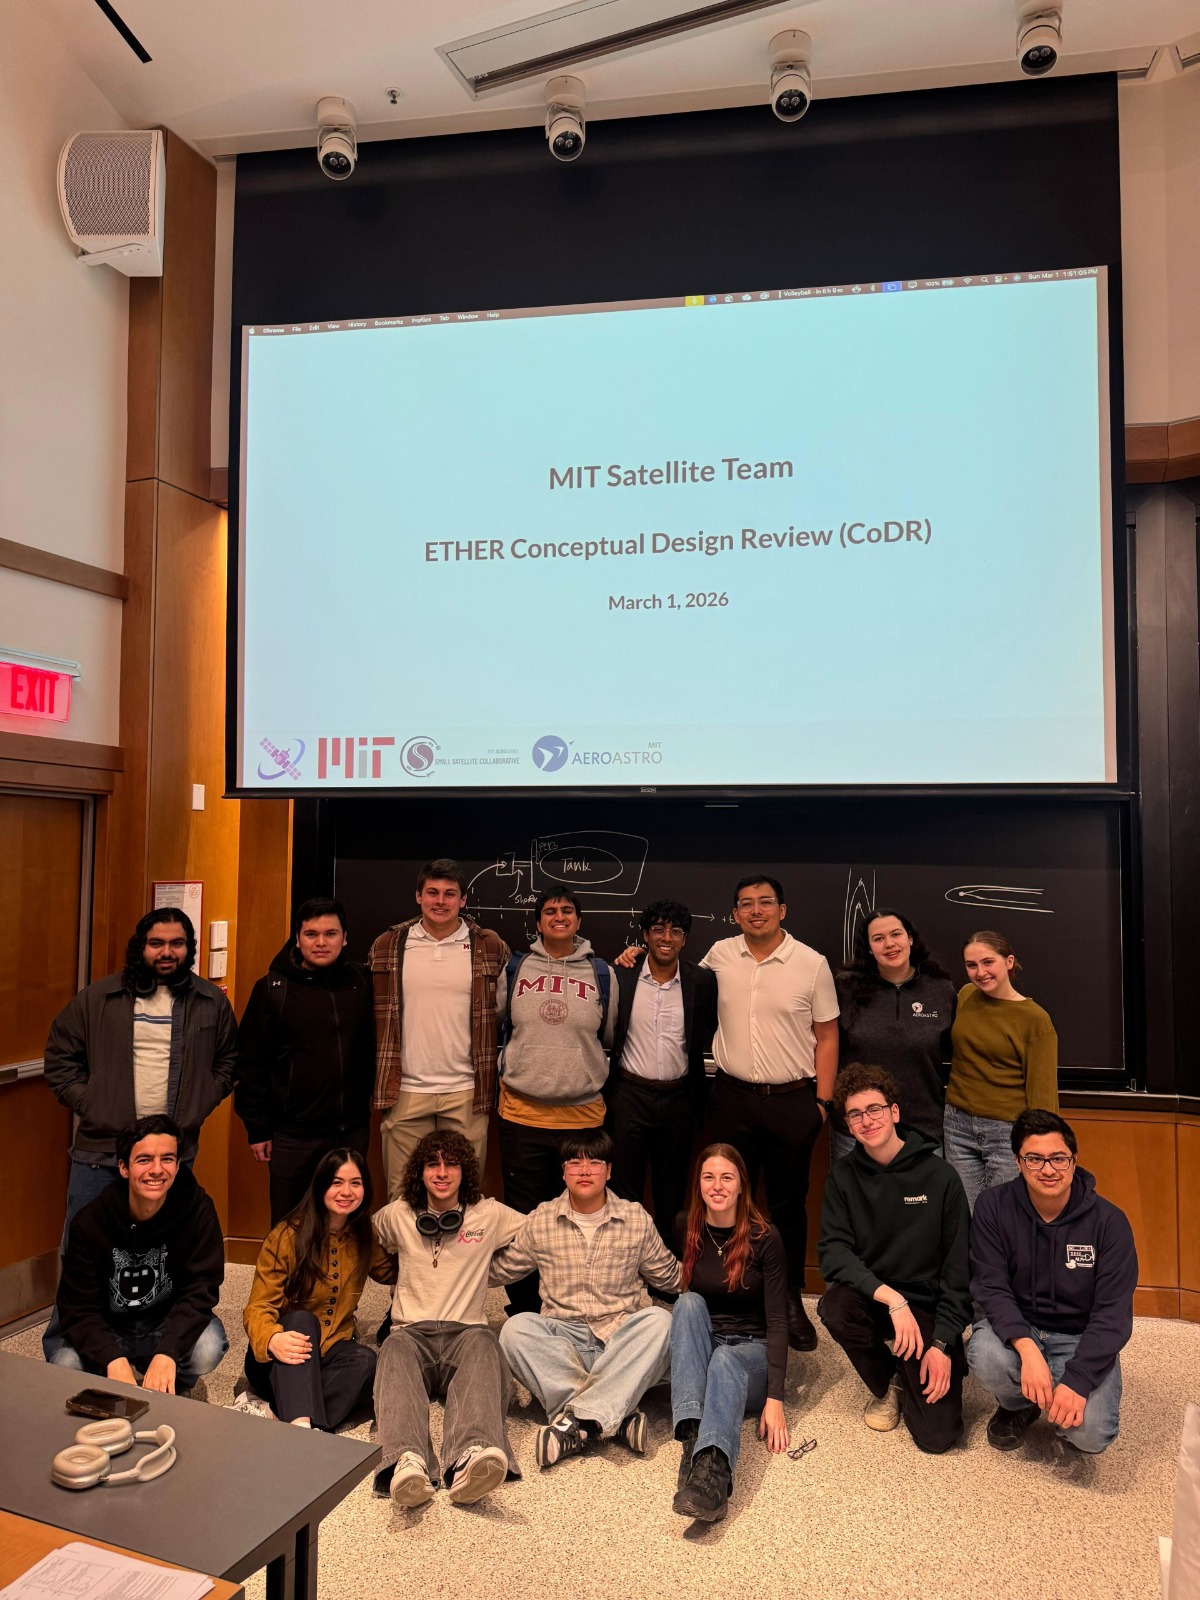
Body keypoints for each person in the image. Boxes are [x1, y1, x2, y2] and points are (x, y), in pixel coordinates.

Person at [42, 907, 236, 1358]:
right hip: (100, 1152)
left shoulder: (210, 1002)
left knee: (164, 1255)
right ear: (140, 947)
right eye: (156, 943)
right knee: (82, 1254)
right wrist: (94, 1105)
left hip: (172, 1154)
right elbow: (60, 1057)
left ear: (189, 949)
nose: (167, 952)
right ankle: (67, 1351)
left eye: (177, 943)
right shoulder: (99, 998)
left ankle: (159, 1348)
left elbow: (228, 1062)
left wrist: (199, 1103)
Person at [697, 874, 838, 1352]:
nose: (755, 911)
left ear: (782, 910)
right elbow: (674, 982)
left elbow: (828, 1036)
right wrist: (634, 959)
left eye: (765, 902)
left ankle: (789, 1299)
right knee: (727, 1198)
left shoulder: (811, 964)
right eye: (746, 904)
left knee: (788, 1205)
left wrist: (822, 1103)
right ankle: (728, 1292)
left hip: (792, 1101)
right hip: (731, 1097)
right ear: (735, 913)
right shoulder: (719, 955)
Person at [492, 1129, 679, 1468]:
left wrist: (723, 1271)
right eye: (574, 1163)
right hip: (563, 1343)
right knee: (515, 1330)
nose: (584, 1170)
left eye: (594, 1163)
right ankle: (616, 1413)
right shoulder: (542, 1219)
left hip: (621, 1343)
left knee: (661, 1322)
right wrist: (454, 1256)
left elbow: (670, 1276)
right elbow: (501, 1269)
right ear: (563, 1171)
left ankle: (575, 1423)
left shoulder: (635, 1218)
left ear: (609, 1171)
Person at [817, 1065, 971, 1454]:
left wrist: (941, 1344)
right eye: (855, 1114)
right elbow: (834, 1253)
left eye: (875, 1109)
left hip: (925, 1306)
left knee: (938, 1437)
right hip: (877, 1298)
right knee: (835, 1307)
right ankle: (888, 1380)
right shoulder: (842, 1177)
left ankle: (913, 1366)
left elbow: (958, 1273)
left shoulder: (941, 1177)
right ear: (848, 1125)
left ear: (895, 1112)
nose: (866, 1120)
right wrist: (891, 1298)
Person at [968, 1109, 1137, 1456]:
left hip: (1078, 1335)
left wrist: (1078, 1380)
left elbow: (1113, 1314)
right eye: (1034, 1159)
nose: (1048, 1169)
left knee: (1091, 1435)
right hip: (1020, 1327)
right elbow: (991, 1287)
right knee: (984, 1355)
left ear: (1074, 1160)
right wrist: (1027, 1350)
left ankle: (1061, 1396)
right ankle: (1019, 1405)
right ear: (1017, 1162)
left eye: (1058, 1158)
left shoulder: (1110, 1222)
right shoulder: (992, 1207)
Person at [371, 1130, 525, 1506]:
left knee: (486, 1342)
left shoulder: (489, 1214)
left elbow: (538, 1233)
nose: (442, 1173)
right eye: (432, 1164)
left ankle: (470, 1457)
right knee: (392, 1349)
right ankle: (407, 1463)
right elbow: (364, 1238)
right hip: (411, 1333)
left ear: (464, 1170)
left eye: (451, 1164)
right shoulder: (397, 1215)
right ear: (420, 1172)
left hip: (466, 1333)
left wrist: (492, 1272)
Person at [495, 888, 617, 1315]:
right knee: (523, 1220)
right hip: (521, 1114)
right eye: (550, 911)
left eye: (567, 911)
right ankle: (525, 1309)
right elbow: (500, 1022)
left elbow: (608, 1035)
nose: (559, 916)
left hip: (582, 1117)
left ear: (579, 921)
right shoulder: (516, 968)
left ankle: (570, 1305)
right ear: (538, 922)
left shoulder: (601, 973)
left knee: (579, 1218)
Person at [49, 1115, 227, 1394]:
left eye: (167, 1159)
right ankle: (111, 1377)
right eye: (144, 1160)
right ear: (123, 1167)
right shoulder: (90, 1222)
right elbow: (79, 1308)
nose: (157, 1170)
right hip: (110, 1326)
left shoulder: (198, 1210)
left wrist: (168, 1352)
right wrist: (112, 1359)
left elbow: (200, 1291)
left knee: (209, 1347)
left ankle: (170, 1383)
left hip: (163, 1322)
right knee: (65, 1364)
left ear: (178, 1165)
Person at [369, 859, 510, 1197]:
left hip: (466, 1090)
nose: (441, 901)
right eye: (432, 892)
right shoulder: (389, 944)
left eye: (450, 894)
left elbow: (507, 1013)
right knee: (401, 1195)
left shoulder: (489, 945)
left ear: (463, 900)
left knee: (465, 1194)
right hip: (404, 1089)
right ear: (418, 896)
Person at [235, 897, 375, 1223]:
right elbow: (251, 1063)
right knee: (290, 1227)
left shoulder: (362, 982)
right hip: (292, 1135)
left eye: (330, 934)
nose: (321, 942)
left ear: (345, 938)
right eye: (311, 934)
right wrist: (257, 1128)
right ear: (297, 939)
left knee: (346, 1225)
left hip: (351, 1131)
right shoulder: (273, 988)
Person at [669, 1143, 789, 1523]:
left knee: (724, 1359)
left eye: (726, 1177)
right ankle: (693, 1441)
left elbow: (778, 1321)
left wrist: (776, 1398)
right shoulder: (686, 1226)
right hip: (709, 1351)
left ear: (741, 1186)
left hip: (751, 1356)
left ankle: (713, 1477)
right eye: (709, 1177)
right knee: (687, 1303)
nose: (717, 1186)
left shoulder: (765, 1237)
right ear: (699, 1184)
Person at [243, 1147, 395, 1428]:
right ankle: (302, 1428)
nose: (346, 1191)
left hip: (329, 1354)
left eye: (356, 1183)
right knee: (303, 1320)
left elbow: (392, 1272)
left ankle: (280, 1413)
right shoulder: (285, 1237)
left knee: (366, 1361)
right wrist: (273, 1339)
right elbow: (258, 1307)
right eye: (337, 1182)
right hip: (280, 1357)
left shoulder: (365, 1236)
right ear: (320, 1185)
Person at [606, 899, 717, 1249]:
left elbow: (709, 1030)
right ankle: (624, 1266)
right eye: (658, 929)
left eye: (675, 931)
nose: (666, 937)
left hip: (679, 1100)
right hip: (628, 1096)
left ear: (685, 939)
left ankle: (668, 1269)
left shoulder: (702, 982)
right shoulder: (621, 974)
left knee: (672, 1195)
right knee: (623, 1194)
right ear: (645, 935)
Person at [944, 930, 1059, 1210]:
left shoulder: (1036, 1020)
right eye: (971, 965)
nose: (980, 972)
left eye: (988, 962)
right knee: (964, 1215)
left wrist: (1039, 1143)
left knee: (1002, 1215)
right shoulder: (966, 996)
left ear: (1009, 962)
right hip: (957, 1125)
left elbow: (1043, 1093)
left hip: (1006, 1130)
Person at [832, 907, 956, 1161]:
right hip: (859, 1128)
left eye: (896, 934)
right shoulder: (845, 989)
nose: (889, 944)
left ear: (910, 938)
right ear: (869, 948)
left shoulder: (940, 989)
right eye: (878, 938)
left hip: (923, 1129)